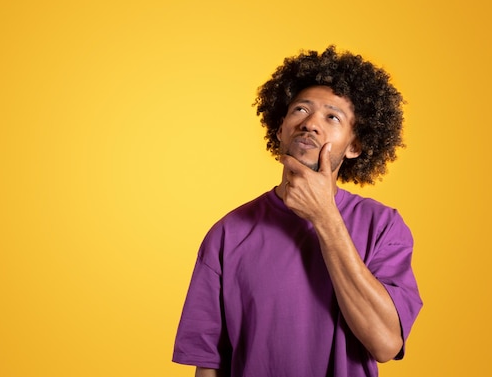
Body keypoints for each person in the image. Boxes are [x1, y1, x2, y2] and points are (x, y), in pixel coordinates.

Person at [172, 46, 423, 377]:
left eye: (332, 117)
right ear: (279, 131)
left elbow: (385, 343)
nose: (310, 124)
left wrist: (324, 217)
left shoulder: (383, 226)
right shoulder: (228, 233)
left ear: (354, 146)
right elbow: (208, 364)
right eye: (300, 110)